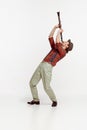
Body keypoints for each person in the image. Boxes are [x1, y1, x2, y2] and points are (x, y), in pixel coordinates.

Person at [27, 24, 73, 107]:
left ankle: (54, 100)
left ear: (67, 46)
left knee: (46, 87)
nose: (66, 41)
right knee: (32, 83)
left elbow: (58, 40)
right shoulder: (55, 47)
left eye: (67, 42)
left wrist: (59, 32)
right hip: (42, 64)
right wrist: (55, 28)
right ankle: (36, 100)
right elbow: (50, 37)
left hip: (48, 67)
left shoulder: (63, 53)